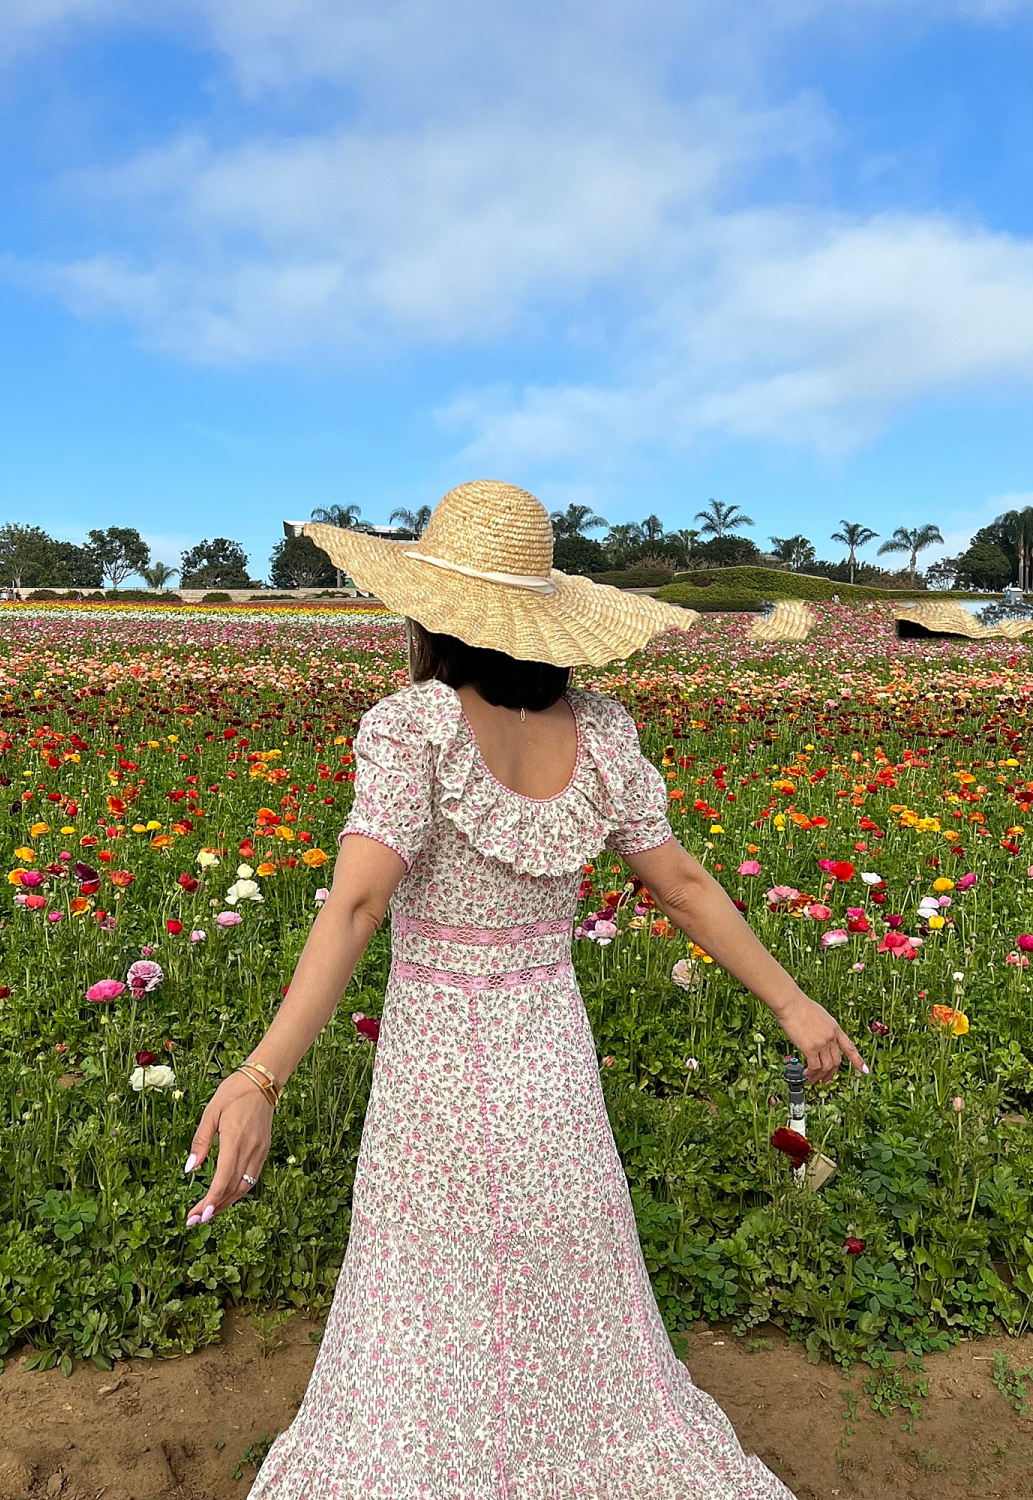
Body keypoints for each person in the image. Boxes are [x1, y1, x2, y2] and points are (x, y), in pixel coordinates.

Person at [185, 480, 865, 1498]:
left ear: (433, 612)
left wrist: (260, 1074)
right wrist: (793, 1001)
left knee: (428, 1292)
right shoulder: (600, 735)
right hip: (548, 1064)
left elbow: (358, 906)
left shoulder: (412, 726)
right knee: (566, 1281)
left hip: (437, 1078)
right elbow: (677, 882)